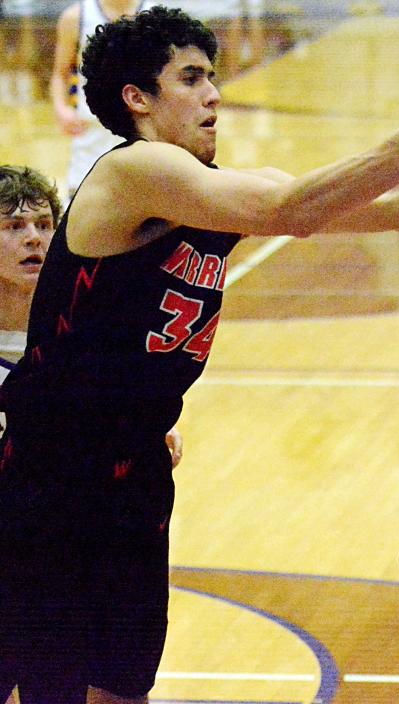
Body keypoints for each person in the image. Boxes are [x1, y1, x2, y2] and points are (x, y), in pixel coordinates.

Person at [0, 5, 399, 704]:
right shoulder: (131, 174)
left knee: (122, 687)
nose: (214, 93)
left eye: (212, 77)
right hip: (49, 478)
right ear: (138, 99)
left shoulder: (210, 192)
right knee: (47, 690)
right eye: (190, 78)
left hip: (135, 473)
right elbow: (291, 207)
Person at [0, 164, 183, 704]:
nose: (33, 238)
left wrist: (153, 426)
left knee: (109, 680)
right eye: (13, 227)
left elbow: (142, 384)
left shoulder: (87, 313)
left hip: (73, 527)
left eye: (43, 224)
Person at [50, 0, 157, 198]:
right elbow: (60, 73)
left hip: (143, 132)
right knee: (80, 206)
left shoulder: (156, 14)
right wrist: (61, 109)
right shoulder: (75, 16)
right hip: (90, 132)